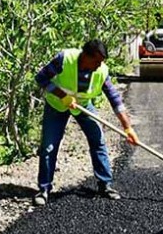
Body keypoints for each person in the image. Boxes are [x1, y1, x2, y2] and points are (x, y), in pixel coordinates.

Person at [33, 39, 140, 206]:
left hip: (82, 106)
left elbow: (115, 99)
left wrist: (128, 128)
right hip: (56, 105)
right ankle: (44, 189)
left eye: (101, 62)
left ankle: (105, 185)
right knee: (49, 146)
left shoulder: (101, 71)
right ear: (85, 56)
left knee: (98, 140)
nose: (99, 65)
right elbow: (41, 78)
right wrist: (63, 96)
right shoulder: (65, 59)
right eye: (96, 61)